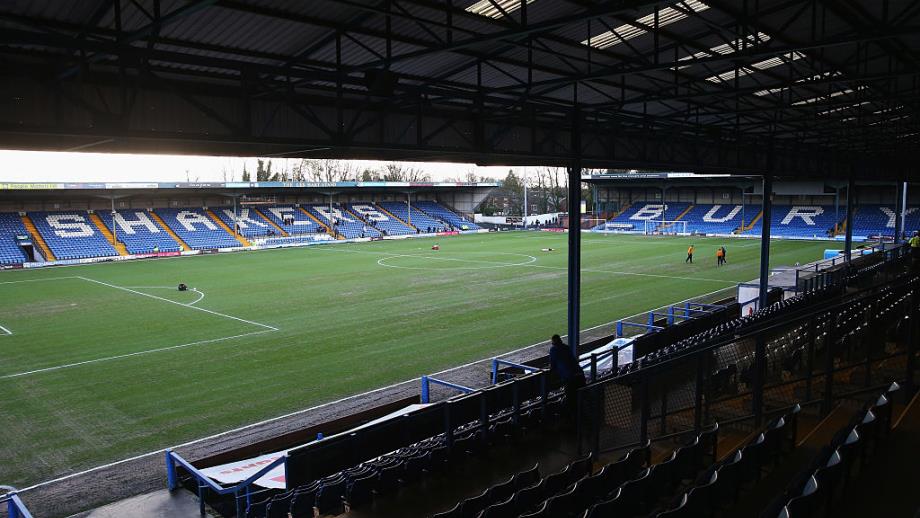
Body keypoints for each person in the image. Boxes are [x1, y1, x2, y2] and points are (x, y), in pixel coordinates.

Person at [549, 334, 586, 418]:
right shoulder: (566, 347)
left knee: (571, 402)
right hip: (580, 375)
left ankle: (576, 420)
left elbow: (552, 366)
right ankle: (583, 418)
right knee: (581, 398)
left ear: (553, 343)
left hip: (570, 378)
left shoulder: (553, 349)